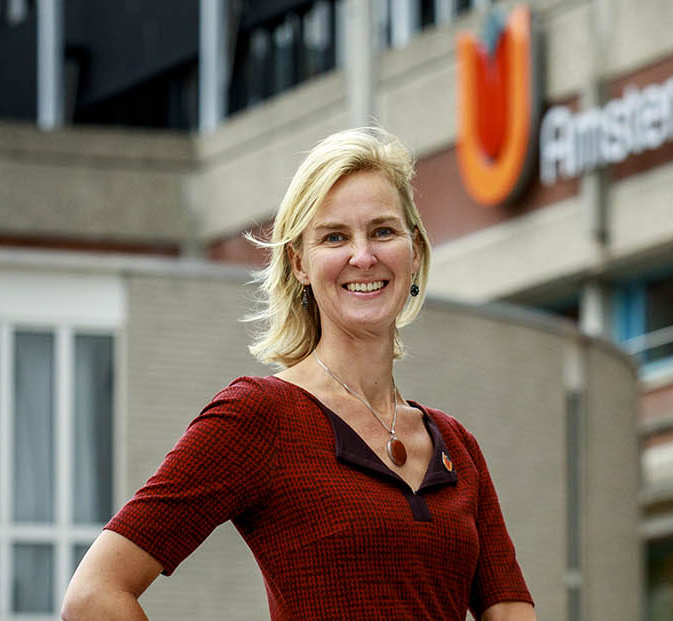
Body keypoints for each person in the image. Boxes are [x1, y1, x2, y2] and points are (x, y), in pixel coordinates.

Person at [62, 127, 536, 621]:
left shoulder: (456, 446)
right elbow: (94, 594)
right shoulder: (260, 415)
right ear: (300, 263)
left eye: (382, 231)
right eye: (334, 237)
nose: (363, 256)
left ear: (413, 250)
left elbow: (510, 613)